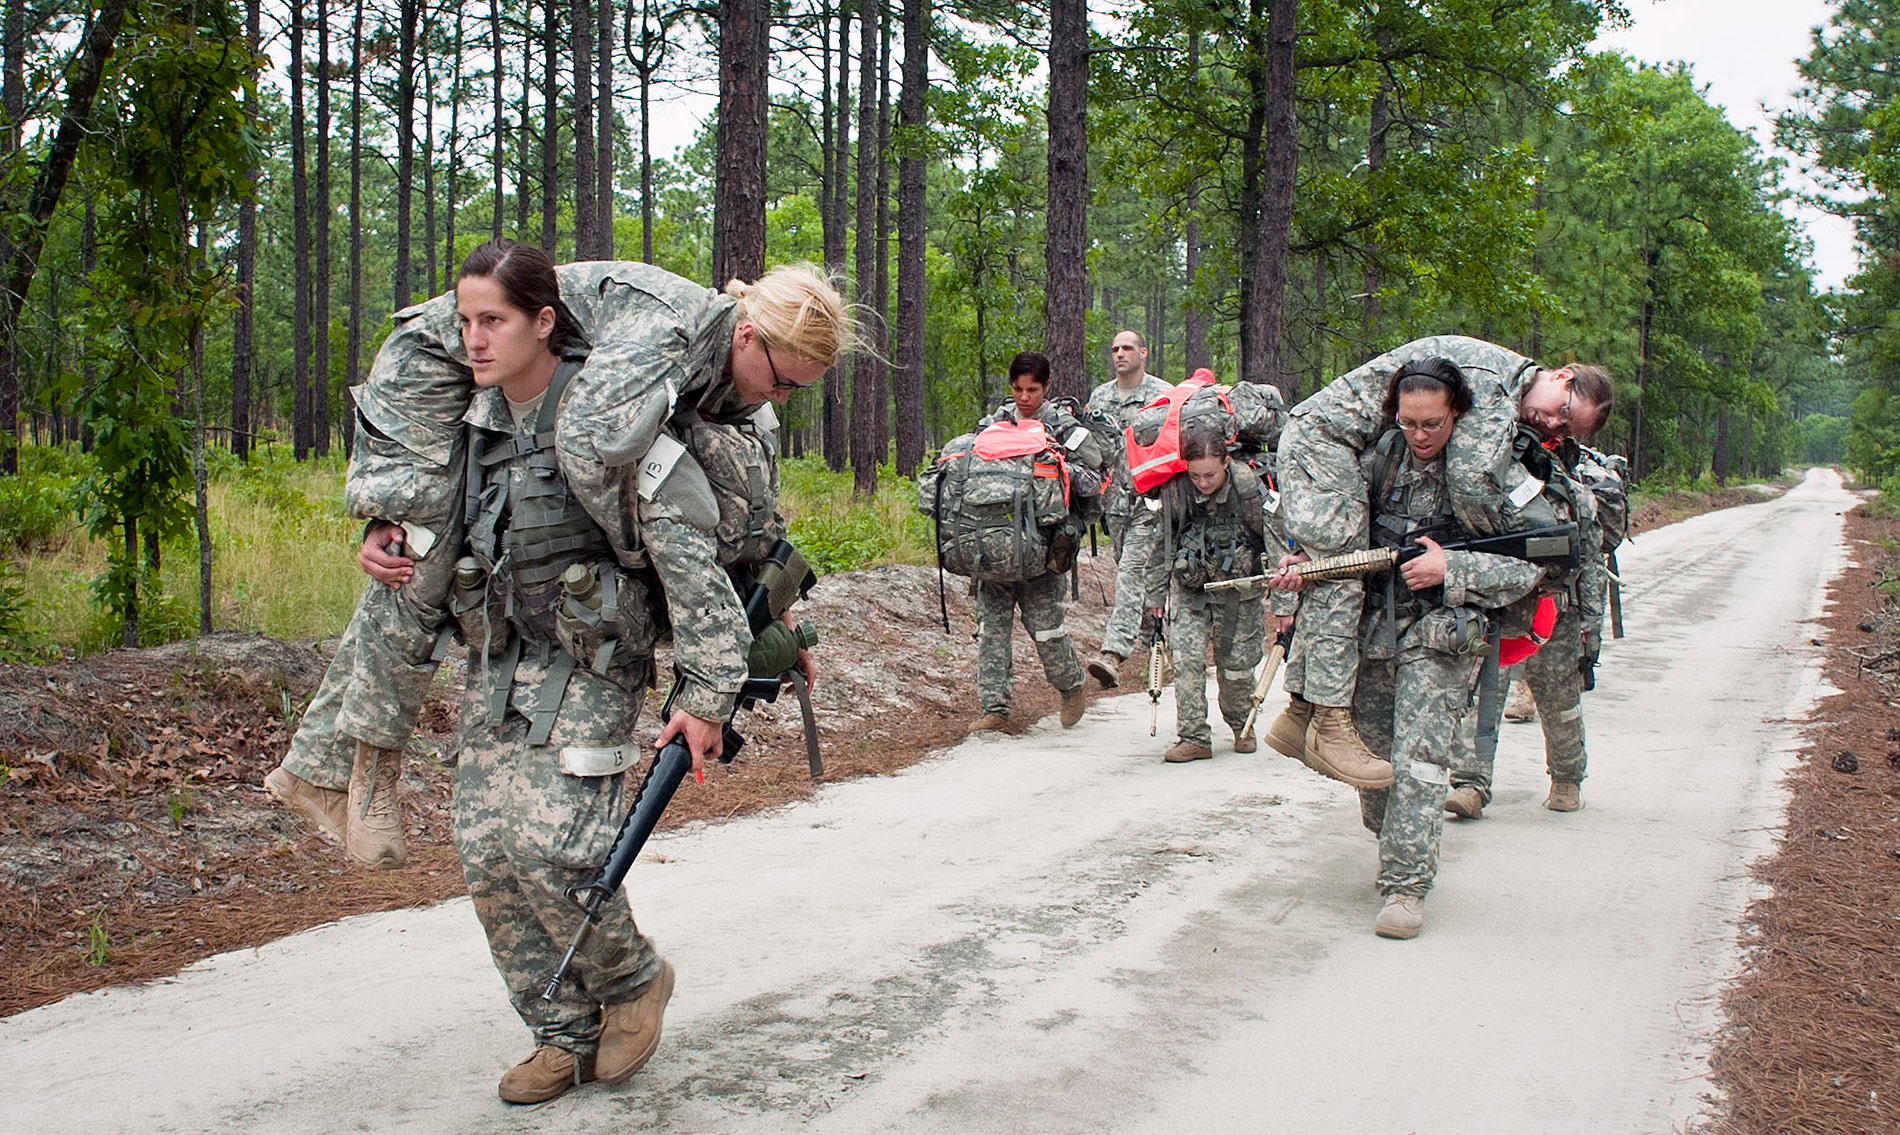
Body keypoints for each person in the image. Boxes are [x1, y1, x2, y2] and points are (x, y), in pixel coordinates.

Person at [280, 241, 845, 1103]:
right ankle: (557, 1030)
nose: (470, 340)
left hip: (592, 658)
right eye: (467, 323)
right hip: (502, 649)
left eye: (491, 323)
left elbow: (692, 570)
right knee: (488, 848)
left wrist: (702, 697)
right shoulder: (470, 421)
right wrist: (389, 519)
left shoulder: (636, 417)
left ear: (545, 324)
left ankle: (629, 983)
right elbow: (427, 517)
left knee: (558, 844)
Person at [1266, 336, 1614, 790]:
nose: (1549, 423)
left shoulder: (1501, 388)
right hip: (1322, 443)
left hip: (1326, 442)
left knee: (1332, 564)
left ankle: (1298, 714)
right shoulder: (1494, 383)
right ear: (1562, 376)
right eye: (1562, 412)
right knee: (1344, 567)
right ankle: (1328, 721)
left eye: (1564, 430)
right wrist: (1479, 543)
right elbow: (1471, 480)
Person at [1273, 359, 1546, 938]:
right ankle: (1391, 847)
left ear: (1459, 416)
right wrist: (1304, 563)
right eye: (1408, 423)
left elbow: (1535, 565)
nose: (1420, 437)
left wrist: (1454, 567)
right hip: (1373, 631)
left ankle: (1406, 887)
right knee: (1373, 763)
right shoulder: (1376, 458)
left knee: (1420, 760)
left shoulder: (1491, 473)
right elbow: (1339, 532)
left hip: (1440, 636)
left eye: (1433, 424)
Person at [1447, 440, 1628, 817]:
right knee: (1480, 696)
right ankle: (1470, 783)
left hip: (1556, 612)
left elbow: (1591, 559)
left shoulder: (1569, 492)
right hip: (1496, 609)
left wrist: (1591, 625)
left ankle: (1566, 779)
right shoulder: (1487, 489)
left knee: (1558, 698)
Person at [968, 351, 1104, 732]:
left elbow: (1095, 481)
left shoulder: (1064, 427)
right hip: (994, 544)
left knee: (1046, 630)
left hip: (1044, 548)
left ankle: (1071, 686)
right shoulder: (993, 424)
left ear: (1047, 388)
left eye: (1033, 389)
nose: (1024, 397)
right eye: (1017, 389)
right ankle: (994, 709)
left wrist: (1054, 466)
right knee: (991, 631)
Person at [1158, 428, 1273, 762]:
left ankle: (1242, 724)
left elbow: (1274, 536)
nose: (1203, 483)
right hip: (1189, 585)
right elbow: (1160, 543)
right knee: (1187, 660)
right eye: (1195, 475)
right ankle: (1193, 737)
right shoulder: (1177, 490)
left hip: (1237, 589)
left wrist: (1284, 601)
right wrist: (1154, 598)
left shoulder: (1247, 488)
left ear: (1226, 461)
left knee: (1236, 668)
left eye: (1210, 474)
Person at [1085, 330, 1175, 689]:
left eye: (1127, 348)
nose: (1120, 354)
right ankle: (1158, 648)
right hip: (1114, 505)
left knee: (1131, 574)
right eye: (1115, 349)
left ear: (1144, 352)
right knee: (1133, 573)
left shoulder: (1162, 395)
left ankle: (1114, 653)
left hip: (1150, 501)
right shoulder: (1100, 397)